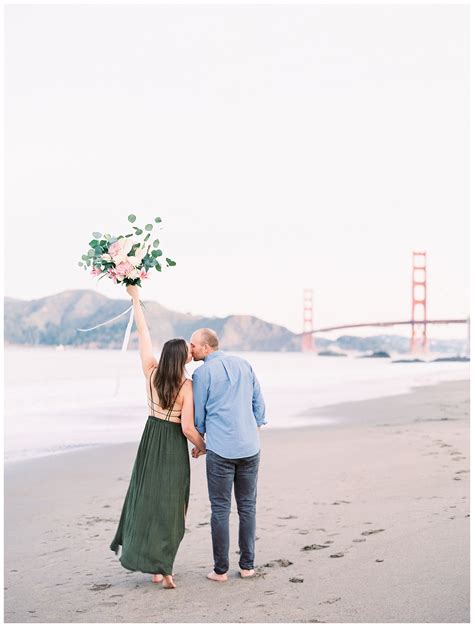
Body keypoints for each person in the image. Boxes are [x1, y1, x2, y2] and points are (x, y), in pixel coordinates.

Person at [110, 285, 206, 589]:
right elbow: (188, 428)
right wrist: (202, 446)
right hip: (172, 447)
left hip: (150, 439)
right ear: (183, 360)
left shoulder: (151, 373)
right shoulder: (187, 386)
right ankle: (165, 568)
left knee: (147, 501)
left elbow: (143, 333)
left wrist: (136, 300)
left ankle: (154, 567)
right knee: (174, 506)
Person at [189, 328, 267, 582]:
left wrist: (201, 443)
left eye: (193, 345)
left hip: (220, 450)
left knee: (220, 509)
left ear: (206, 348)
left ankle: (220, 570)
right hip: (250, 447)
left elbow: (199, 415)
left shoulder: (201, 374)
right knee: (247, 507)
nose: (190, 350)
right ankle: (247, 567)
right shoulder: (244, 364)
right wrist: (251, 429)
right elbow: (259, 403)